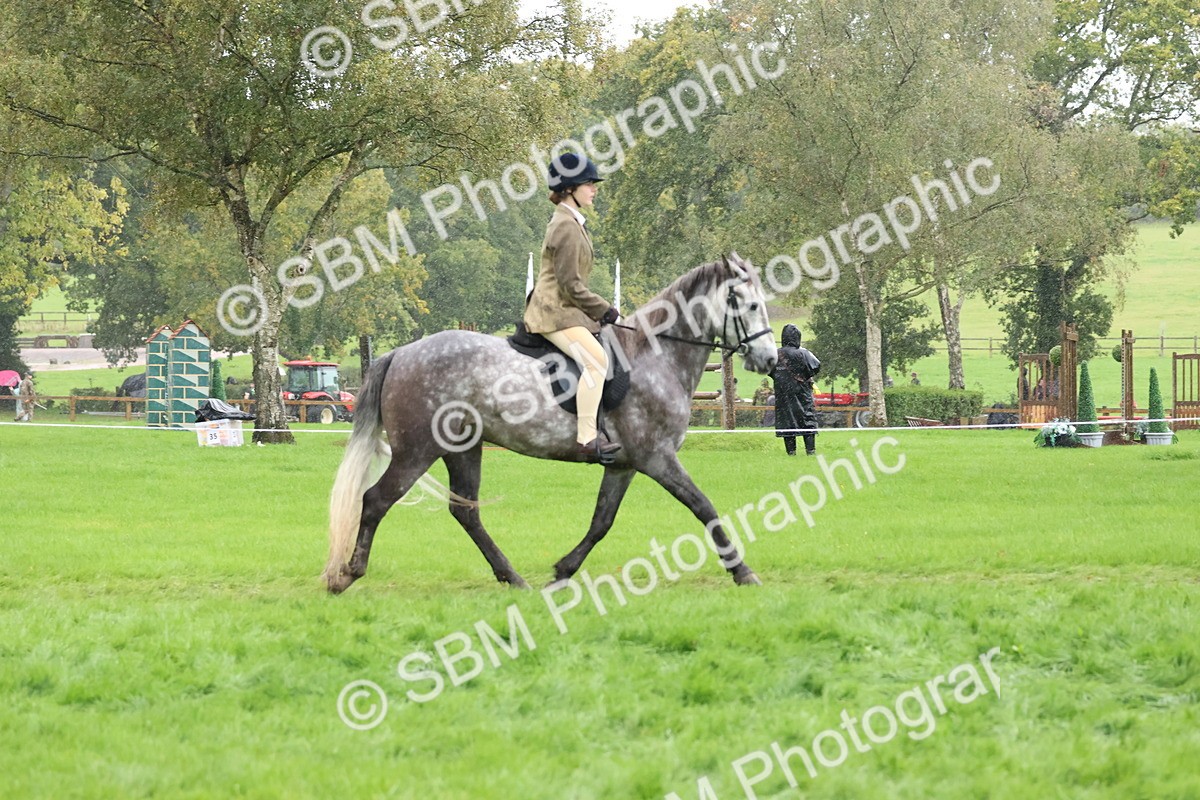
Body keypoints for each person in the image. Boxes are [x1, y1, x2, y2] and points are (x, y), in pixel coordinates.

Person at [524, 153, 621, 464]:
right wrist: (605, 310)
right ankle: (587, 438)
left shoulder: (572, 221)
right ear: (569, 189)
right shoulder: (566, 225)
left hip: (566, 309)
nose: (594, 189)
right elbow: (570, 285)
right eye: (588, 184)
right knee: (597, 362)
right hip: (553, 312)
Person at [772, 324, 820, 456]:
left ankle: (791, 452)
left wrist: (782, 378)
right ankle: (810, 451)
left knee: (786, 422)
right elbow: (816, 366)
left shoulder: (775, 354)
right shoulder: (804, 353)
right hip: (802, 393)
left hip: (783, 395)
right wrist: (804, 375)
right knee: (807, 420)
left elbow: (769, 370)